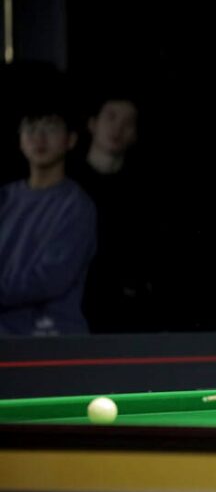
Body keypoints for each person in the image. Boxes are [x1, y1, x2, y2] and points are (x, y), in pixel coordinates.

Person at [0, 93, 97, 335]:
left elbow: (51, 277)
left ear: (71, 139)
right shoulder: (5, 197)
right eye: (31, 129)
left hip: (49, 335)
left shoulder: (76, 205)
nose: (39, 138)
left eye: (50, 128)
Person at [67, 90, 156, 333]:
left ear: (135, 134)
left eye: (128, 122)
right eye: (111, 117)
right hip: (72, 306)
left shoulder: (142, 192)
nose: (118, 128)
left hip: (122, 313)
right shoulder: (68, 184)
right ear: (92, 124)